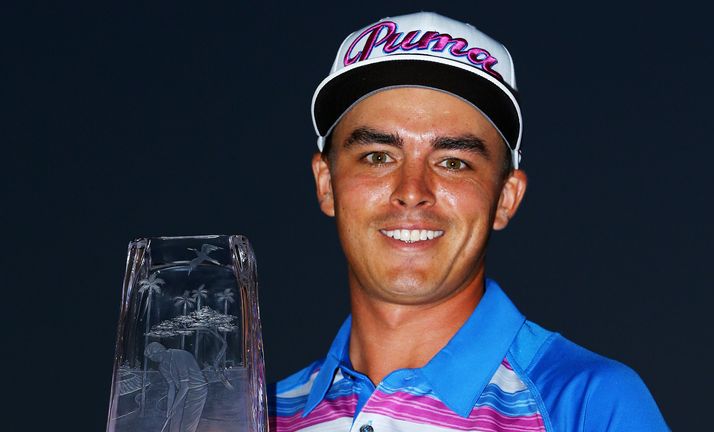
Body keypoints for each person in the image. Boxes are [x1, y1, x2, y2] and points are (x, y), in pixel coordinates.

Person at [268, 11, 668, 431]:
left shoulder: (588, 405)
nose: (412, 189)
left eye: (453, 162)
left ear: (505, 198)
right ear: (326, 183)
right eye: (378, 157)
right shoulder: (256, 417)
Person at [145, 342, 208, 432]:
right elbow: (171, 387)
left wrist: (174, 406)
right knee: (174, 417)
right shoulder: (162, 366)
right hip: (182, 390)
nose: (152, 359)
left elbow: (185, 386)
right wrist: (169, 408)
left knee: (188, 422)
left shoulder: (178, 355)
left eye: (152, 357)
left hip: (197, 389)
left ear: (159, 352)